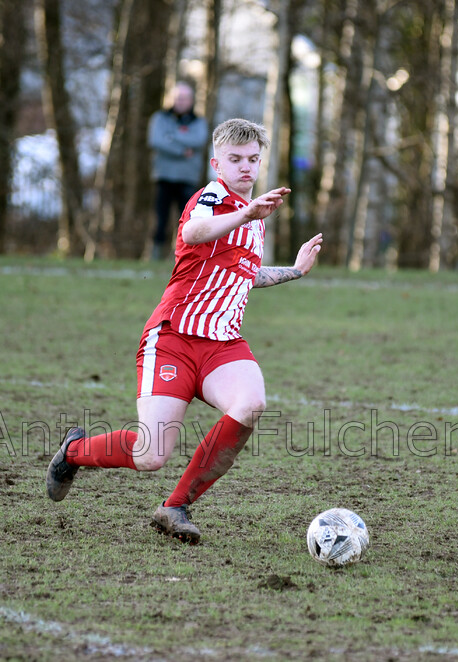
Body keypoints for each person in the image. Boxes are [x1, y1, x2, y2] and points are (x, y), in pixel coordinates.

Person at [47, 118, 324, 544]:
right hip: (173, 338)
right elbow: (194, 230)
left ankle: (175, 506)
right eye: (235, 160)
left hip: (223, 344)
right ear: (217, 162)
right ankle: (72, 453)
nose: (245, 167)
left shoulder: (255, 217)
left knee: (250, 404)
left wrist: (294, 271)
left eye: (252, 159)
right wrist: (245, 212)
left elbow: (245, 274)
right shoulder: (213, 198)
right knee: (150, 454)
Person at [147, 81, 209, 260]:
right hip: (163, 176)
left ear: (191, 100)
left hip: (187, 178)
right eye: (177, 98)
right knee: (161, 219)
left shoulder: (199, 122)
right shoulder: (160, 118)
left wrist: (171, 138)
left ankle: (185, 256)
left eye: (184, 98)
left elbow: (198, 141)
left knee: (188, 220)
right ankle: (156, 256)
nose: (181, 102)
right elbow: (156, 141)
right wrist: (182, 150)